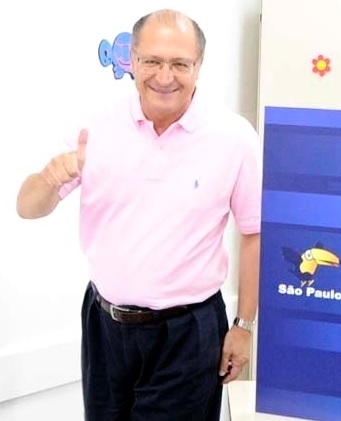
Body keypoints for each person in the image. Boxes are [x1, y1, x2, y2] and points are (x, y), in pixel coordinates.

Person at [15, 8, 261, 421]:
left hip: (187, 332)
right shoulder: (94, 125)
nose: (165, 77)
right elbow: (27, 207)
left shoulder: (234, 138)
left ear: (199, 65)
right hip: (104, 324)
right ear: (133, 61)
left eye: (180, 63)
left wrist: (244, 326)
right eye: (152, 61)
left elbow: (253, 233)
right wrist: (49, 178)